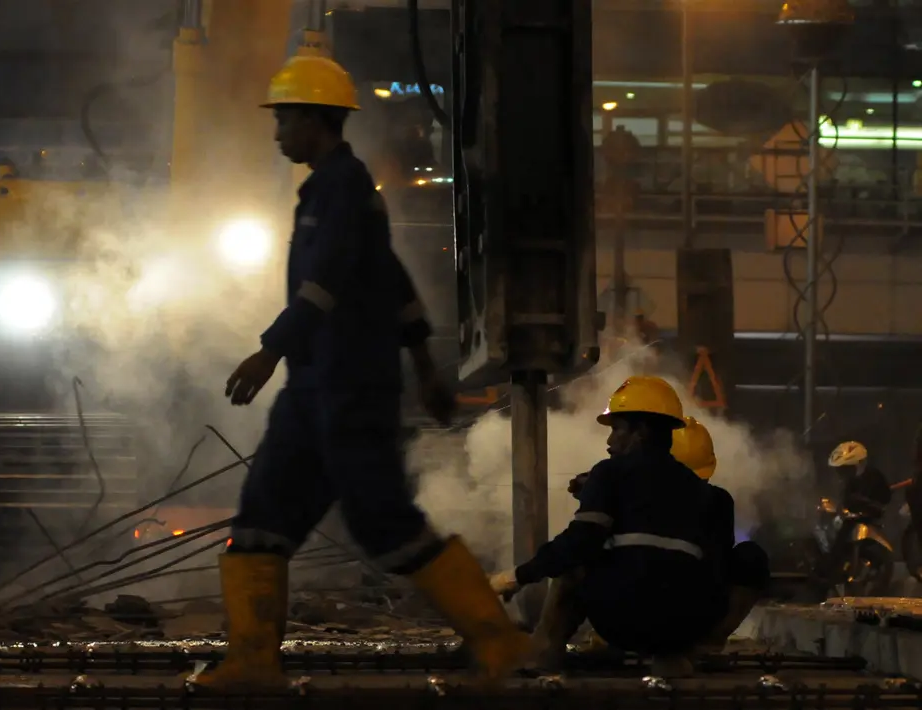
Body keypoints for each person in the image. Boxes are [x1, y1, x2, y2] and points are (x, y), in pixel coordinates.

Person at [194, 54, 534, 691]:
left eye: (285, 119)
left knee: (382, 520)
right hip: (315, 386)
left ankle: (498, 639)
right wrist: (426, 365)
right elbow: (395, 283)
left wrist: (269, 348)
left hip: (348, 384)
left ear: (316, 120)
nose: (277, 133)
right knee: (262, 516)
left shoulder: (344, 188)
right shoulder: (337, 191)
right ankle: (253, 661)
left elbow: (326, 283)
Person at [495, 376, 733, 677]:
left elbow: (580, 543)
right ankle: (674, 659)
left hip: (622, 620)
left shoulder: (609, 473)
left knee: (576, 562)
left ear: (641, 431)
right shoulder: (706, 492)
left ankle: (542, 654)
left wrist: (516, 577)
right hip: (686, 628)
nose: (609, 441)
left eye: (617, 429)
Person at [828, 441, 891, 519]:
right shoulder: (848, 482)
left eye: (846, 469)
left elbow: (883, 502)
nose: (843, 474)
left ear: (861, 463)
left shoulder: (873, 477)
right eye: (840, 470)